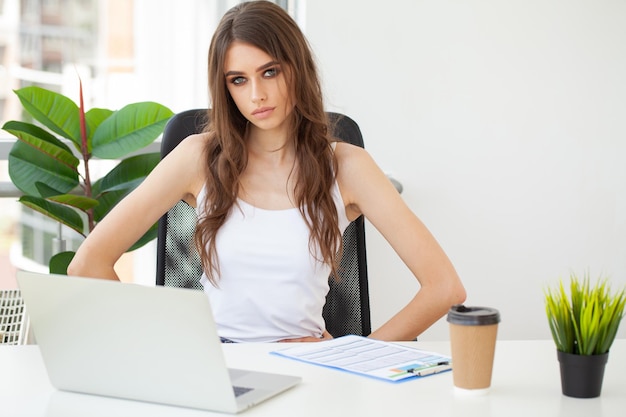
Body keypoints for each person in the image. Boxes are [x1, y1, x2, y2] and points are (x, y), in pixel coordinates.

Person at [68, 0, 465, 343]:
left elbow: (444, 288)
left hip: (308, 373)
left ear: (297, 69)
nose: (256, 94)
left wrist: (353, 356)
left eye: (269, 72)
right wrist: (167, 347)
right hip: (217, 369)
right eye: (239, 80)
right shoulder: (197, 157)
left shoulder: (348, 167)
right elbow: (88, 264)